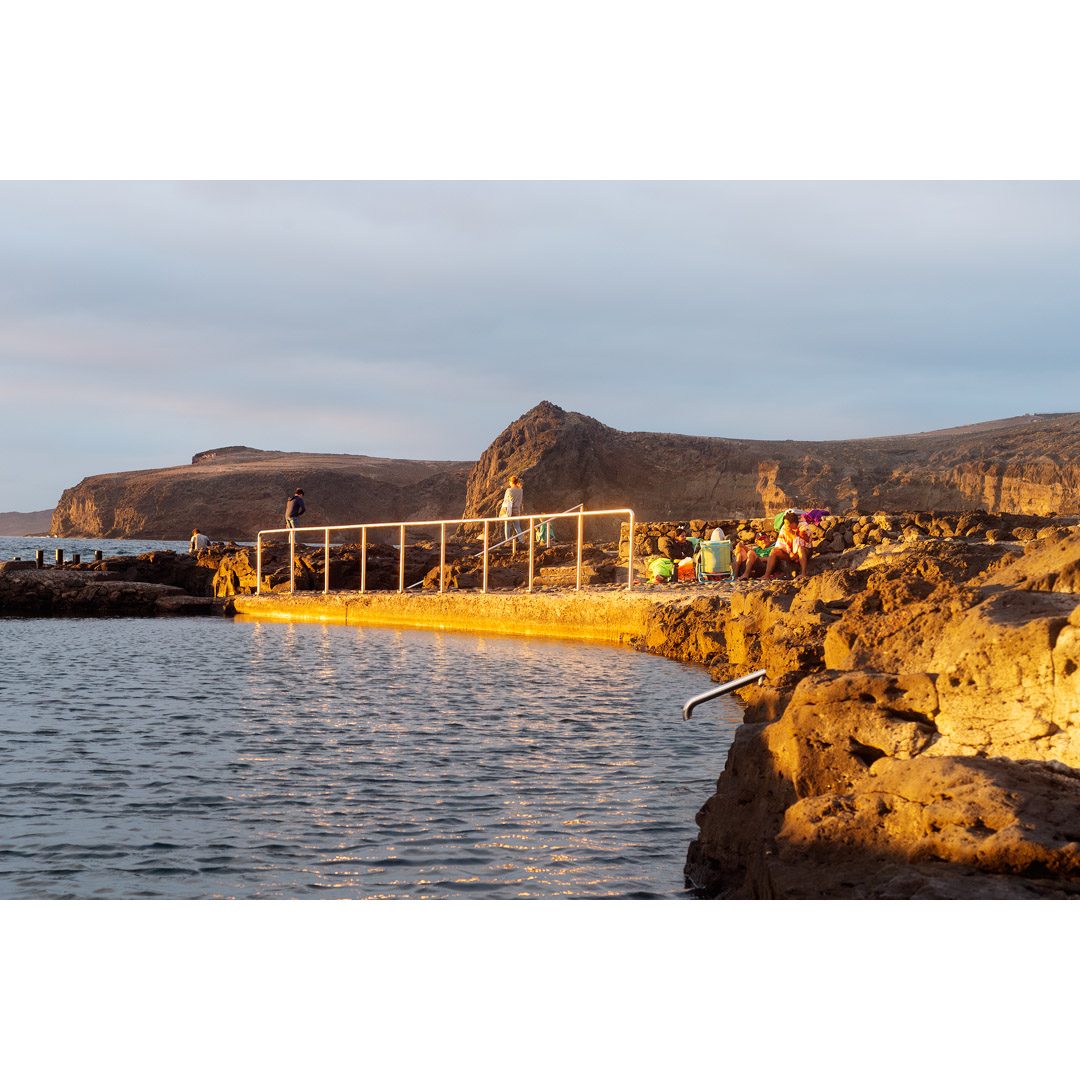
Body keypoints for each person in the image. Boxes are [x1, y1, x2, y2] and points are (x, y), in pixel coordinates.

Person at [764, 510, 813, 579]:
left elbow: (806, 541)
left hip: (805, 550)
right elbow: (781, 543)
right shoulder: (784, 528)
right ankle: (766, 575)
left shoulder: (803, 526)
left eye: (787, 523)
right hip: (790, 553)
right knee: (774, 551)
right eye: (785, 523)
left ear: (793, 523)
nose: (785, 525)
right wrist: (790, 553)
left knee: (800, 549)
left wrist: (792, 534)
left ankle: (803, 573)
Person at [501, 476, 525, 544]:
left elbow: (506, 501)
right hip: (517, 510)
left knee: (507, 526)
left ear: (511, 482)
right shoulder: (520, 490)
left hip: (509, 510)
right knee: (517, 526)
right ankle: (521, 540)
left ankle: (507, 541)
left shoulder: (509, 490)